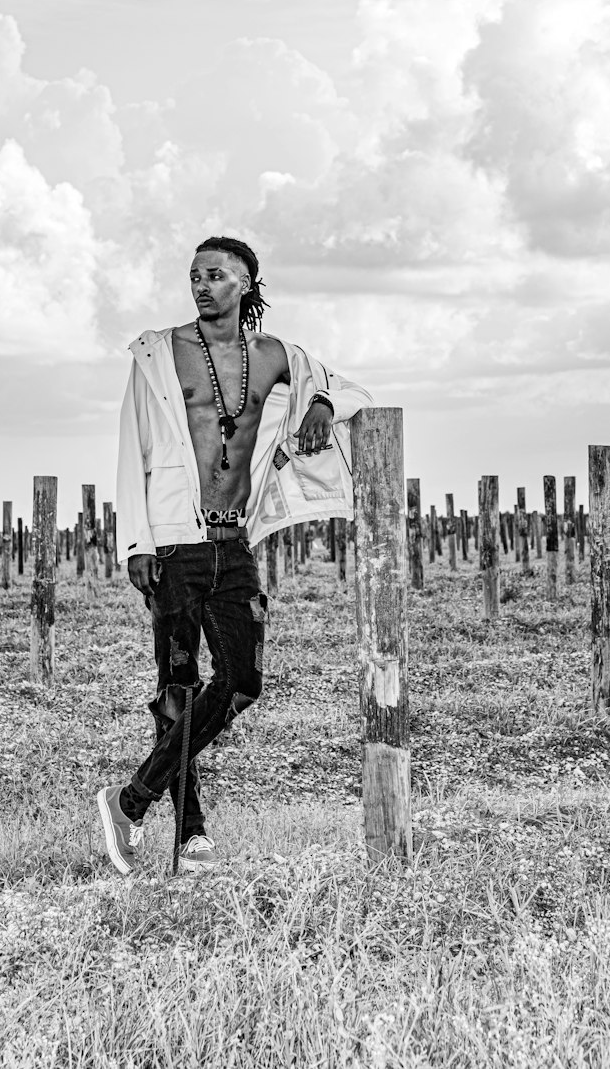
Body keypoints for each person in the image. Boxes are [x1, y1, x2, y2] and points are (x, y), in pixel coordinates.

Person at [96, 234, 373, 875]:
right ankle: (189, 834)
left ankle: (129, 799)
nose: (201, 284)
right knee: (176, 688)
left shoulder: (276, 356)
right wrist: (135, 541)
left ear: (245, 283)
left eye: (215, 275)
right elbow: (129, 446)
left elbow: (345, 386)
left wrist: (322, 406)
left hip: (233, 541)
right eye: (194, 275)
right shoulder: (159, 355)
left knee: (243, 680)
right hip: (174, 541)